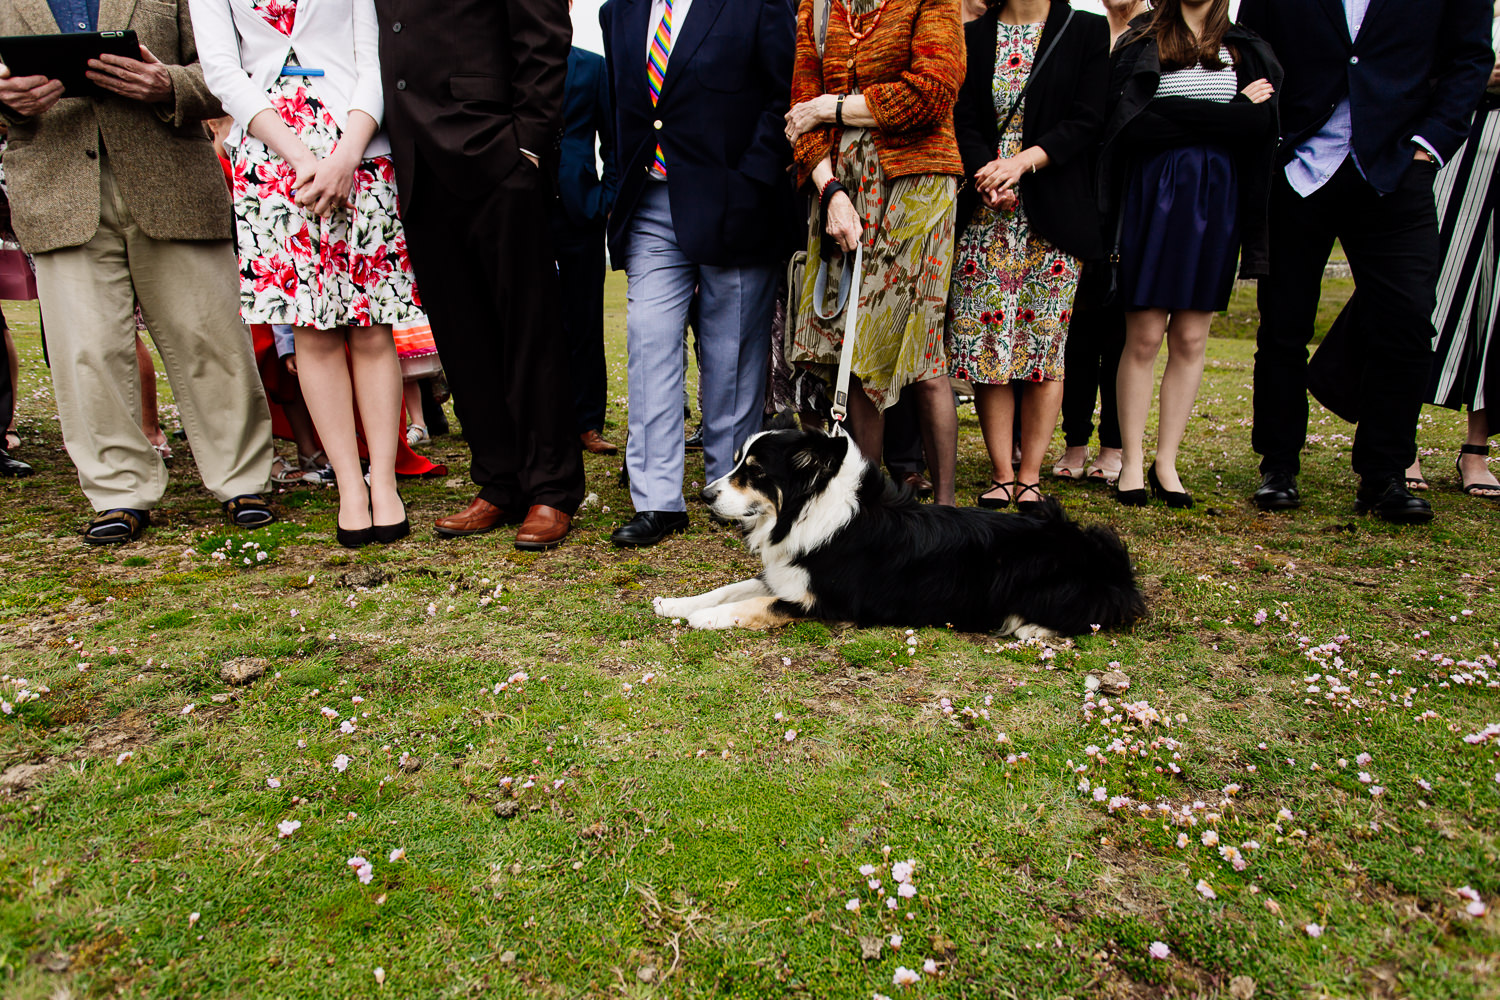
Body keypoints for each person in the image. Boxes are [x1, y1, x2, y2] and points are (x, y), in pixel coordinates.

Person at [0, 0, 276, 545]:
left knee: (210, 337)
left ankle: (243, 479)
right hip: (56, 192)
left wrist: (167, 84)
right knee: (88, 351)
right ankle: (118, 491)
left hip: (173, 181)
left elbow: (234, 71)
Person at [1240, 0, 1494, 524]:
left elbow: (1469, 59)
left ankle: (1385, 473)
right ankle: (1278, 465)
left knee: (1405, 322)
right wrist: (1270, 133)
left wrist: (1430, 144)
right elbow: (1251, 45)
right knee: (1284, 325)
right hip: (1298, 165)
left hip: (1397, 169)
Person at [195, 0, 420, 549]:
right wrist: (299, 156)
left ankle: (384, 481)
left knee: (371, 325)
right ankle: (348, 484)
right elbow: (223, 70)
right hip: (271, 158)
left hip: (360, 146)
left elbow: (374, 62)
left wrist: (347, 155)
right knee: (312, 330)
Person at [373, 0, 586, 550]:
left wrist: (529, 149)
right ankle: (499, 481)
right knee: (461, 339)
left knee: (529, 332)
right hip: (416, 162)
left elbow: (544, 34)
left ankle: (552, 489)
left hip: (497, 153)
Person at [601, 0, 796, 546]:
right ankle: (657, 500)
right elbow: (622, 109)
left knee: (730, 351)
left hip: (737, 203)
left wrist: (752, 180)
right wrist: (618, 190)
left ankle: (728, 488)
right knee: (648, 340)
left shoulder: (758, 6)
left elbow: (783, 95)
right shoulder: (618, 11)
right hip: (650, 204)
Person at [1099, 0, 1280, 509]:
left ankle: (1167, 462)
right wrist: (1229, 113)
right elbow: (1131, 124)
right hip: (1153, 197)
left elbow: (1259, 127)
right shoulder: (1142, 39)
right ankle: (1130, 461)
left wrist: (1181, 113)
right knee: (1145, 333)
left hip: (1216, 200)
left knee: (1192, 336)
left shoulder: (1244, 47)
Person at [786, 0, 965, 506]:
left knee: (923, 353)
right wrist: (830, 193)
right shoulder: (816, 6)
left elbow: (932, 92)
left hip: (918, 190)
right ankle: (864, 508)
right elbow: (801, 116)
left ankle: (946, 510)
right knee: (854, 351)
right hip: (841, 189)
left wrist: (832, 107)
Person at [947, 0, 1110, 512]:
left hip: (1054, 216)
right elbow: (964, 120)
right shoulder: (973, 35)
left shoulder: (1086, 29)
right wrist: (988, 175)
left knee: (1043, 347)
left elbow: (1088, 119)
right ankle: (1000, 473)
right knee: (988, 347)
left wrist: (1022, 163)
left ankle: (1031, 475)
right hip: (985, 215)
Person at [1406, 5, 1500, 501]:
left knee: (1497, 302)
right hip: (1456, 145)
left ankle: (1476, 449)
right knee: (1428, 293)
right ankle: (1403, 443)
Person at [1054, 0, 1144, 487]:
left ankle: (1114, 445)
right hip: (1079, 190)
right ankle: (1075, 442)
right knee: (1078, 333)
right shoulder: (1083, 31)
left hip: (1131, 196)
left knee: (1120, 330)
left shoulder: (1153, 34)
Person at [554, 17, 620, 458]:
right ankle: (546, 421)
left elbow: (613, 141)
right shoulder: (511, 66)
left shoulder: (593, 67)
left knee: (585, 320)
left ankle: (588, 423)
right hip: (523, 211)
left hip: (581, 210)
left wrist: (605, 197)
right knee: (536, 322)